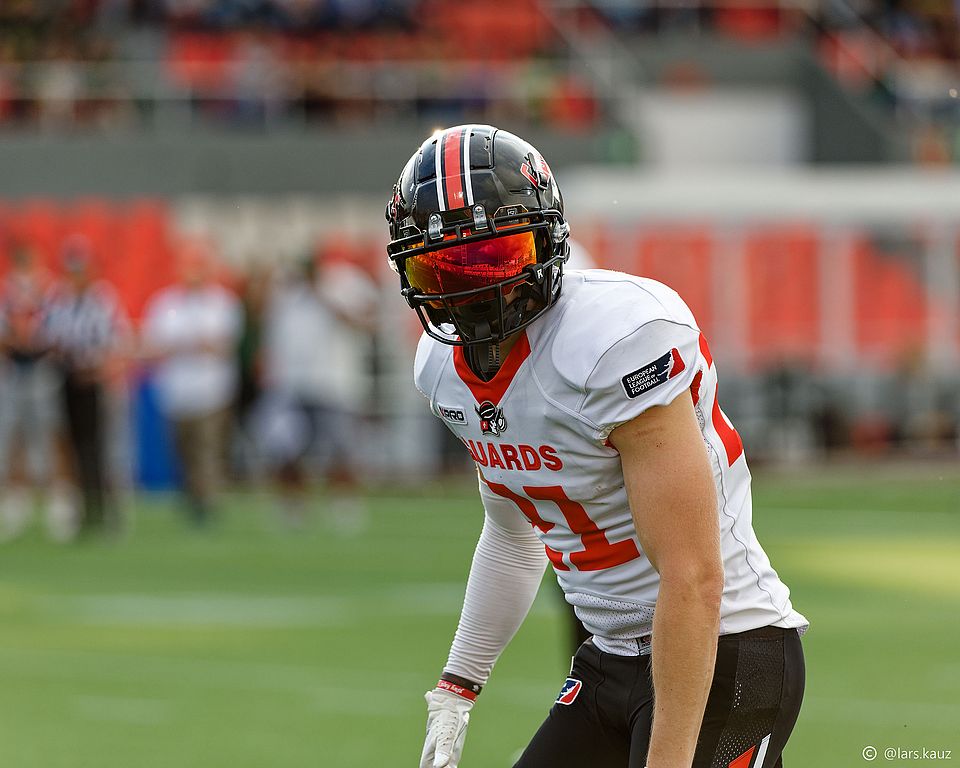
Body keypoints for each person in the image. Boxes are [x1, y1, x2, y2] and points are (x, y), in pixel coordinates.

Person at [385, 125, 808, 768]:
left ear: (547, 240)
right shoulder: (441, 370)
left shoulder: (614, 340)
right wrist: (459, 681)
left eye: (495, 257)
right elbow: (512, 533)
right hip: (609, 656)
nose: (473, 290)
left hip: (723, 647)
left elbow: (693, 574)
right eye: (441, 268)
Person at [141, 239, 242, 525]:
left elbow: (222, 345)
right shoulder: (165, 303)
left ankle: (207, 503)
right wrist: (192, 345)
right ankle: (191, 499)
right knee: (182, 451)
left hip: (211, 391)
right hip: (176, 392)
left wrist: (181, 346)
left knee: (207, 450)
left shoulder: (222, 302)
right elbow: (153, 346)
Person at [47, 235, 130, 537]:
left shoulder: (104, 299)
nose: (77, 275)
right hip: (69, 381)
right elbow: (48, 338)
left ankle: (110, 512)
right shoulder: (59, 298)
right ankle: (84, 511)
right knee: (75, 448)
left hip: (97, 384)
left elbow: (120, 343)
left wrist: (100, 369)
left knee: (104, 449)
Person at [0, 242, 67, 540]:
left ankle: (59, 499)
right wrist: (15, 340)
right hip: (13, 370)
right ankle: (17, 498)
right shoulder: (7, 291)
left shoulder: (50, 290)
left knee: (50, 435)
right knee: (14, 435)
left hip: (42, 369)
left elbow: (59, 331)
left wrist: (34, 338)